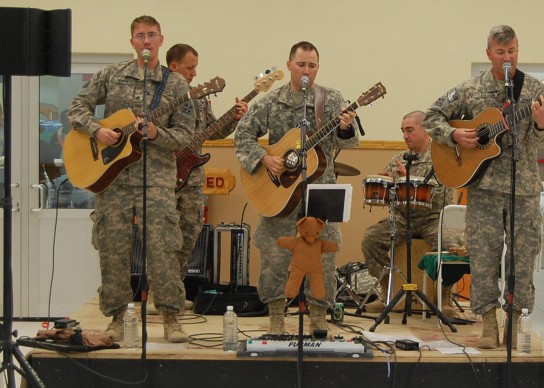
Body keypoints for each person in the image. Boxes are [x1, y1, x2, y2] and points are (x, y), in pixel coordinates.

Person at [423, 25, 544, 349]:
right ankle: (487, 324)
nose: (507, 58)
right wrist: (454, 135)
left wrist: (541, 123)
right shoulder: (471, 89)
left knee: (522, 257)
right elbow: (432, 116)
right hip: (482, 188)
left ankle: (513, 318)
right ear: (489, 54)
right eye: (501, 52)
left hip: (522, 188)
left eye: (512, 51)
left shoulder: (534, 89)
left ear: (517, 50)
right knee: (483, 257)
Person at [67, 15, 196, 343]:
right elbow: (77, 107)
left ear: (161, 40)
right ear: (132, 43)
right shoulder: (112, 74)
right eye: (140, 36)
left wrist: (156, 132)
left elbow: (184, 136)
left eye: (151, 35)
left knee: (163, 247)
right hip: (113, 179)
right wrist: (98, 130)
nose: (146, 41)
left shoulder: (177, 84)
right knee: (113, 247)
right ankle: (115, 318)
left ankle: (170, 317)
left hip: (156, 179)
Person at [234, 41, 359, 335]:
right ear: (289, 65)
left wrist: (344, 126)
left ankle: (318, 316)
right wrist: (265, 158)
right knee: (276, 256)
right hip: (279, 193)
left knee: (324, 256)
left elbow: (349, 142)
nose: (306, 71)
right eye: (301, 65)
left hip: (319, 191)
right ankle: (277, 317)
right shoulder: (270, 101)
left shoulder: (330, 99)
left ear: (318, 68)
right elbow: (242, 136)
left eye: (312, 66)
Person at [161, 43, 247, 308]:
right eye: (190, 67)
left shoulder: (199, 96)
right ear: (173, 67)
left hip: (192, 176)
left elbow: (214, 131)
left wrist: (233, 118)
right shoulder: (158, 96)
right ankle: (159, 293)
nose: (195, 73)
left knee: (190, 229)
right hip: (162, 174)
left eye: (196, 67)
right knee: (162, 234)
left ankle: (174, 292)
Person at [360, 111, 458, 317]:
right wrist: (383, 182)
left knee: (450, 245)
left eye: (410, 130)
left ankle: (445, 297)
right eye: (403, 131)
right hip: (403, 218)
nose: (405, 135)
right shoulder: (398, 159)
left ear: (425, 130)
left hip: (432, 218)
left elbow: (444, 195)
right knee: (370, 239)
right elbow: (389, 190)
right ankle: (389, 292)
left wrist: (412, 179)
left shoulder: (441, 156)